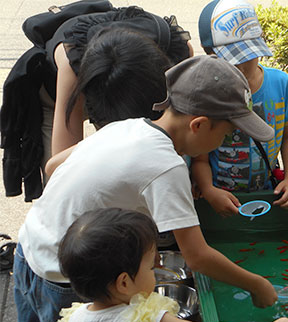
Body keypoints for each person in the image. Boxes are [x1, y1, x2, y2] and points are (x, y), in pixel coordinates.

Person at [13, 54, 279, 322]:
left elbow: (53, 166)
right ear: (199, 125)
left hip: (28, 252)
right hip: (66, 278)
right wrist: (257, 285)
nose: (222, 143)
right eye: (224, 135)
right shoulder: (166, 167)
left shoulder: (130, 127)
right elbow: (197, 257)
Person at [53, 207, 288, 322]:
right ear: (124, 283)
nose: (156, 271)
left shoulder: (74, 319)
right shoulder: (139, 321)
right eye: (150, 268)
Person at [1, 4, 192, 200]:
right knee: (60, 187)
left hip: (129, 81)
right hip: (57, 93)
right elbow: (60, 166)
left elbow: (182, 129)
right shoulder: (71, 61)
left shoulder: (177, 50)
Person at [192, 0, 288, 216]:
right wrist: (208, 189)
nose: (240, 66)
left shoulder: (280, 82)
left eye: (247, 56)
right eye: (232, 60)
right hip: (222, 198)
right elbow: (200, 156)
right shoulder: (207, 93)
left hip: (268, 192)